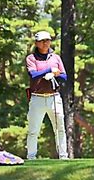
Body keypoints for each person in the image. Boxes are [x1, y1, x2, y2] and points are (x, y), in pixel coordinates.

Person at [26, 30, 68, 160]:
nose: (46, 43)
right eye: (43, 41)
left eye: (48, 40)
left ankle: (63, 155)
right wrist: (49, 70)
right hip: (37, 97)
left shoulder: (56, 58)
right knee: (33, 130)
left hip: (53, 97)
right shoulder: (31, 58)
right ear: (37, 43)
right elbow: (33, 75)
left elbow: (64, 76)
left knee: (60, 128)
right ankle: (31, 156)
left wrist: (56, 74)